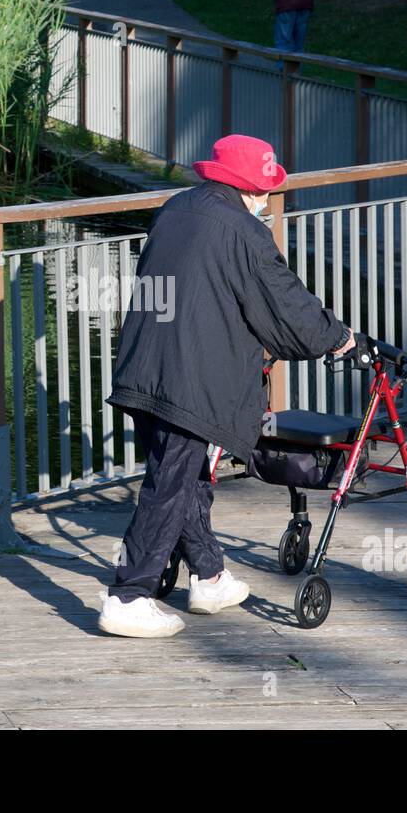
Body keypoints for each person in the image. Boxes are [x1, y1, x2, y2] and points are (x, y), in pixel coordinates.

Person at [100, 135, 356, 638]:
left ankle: (209, 576)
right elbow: (284, 302)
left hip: (143, 364)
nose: (267, 197)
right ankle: (128, 595)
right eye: (264, 188)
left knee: (186, 472)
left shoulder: (176, 208)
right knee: (168, 483)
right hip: (187, 376)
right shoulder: (244, 230)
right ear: (246, 187)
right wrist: (338, 337)